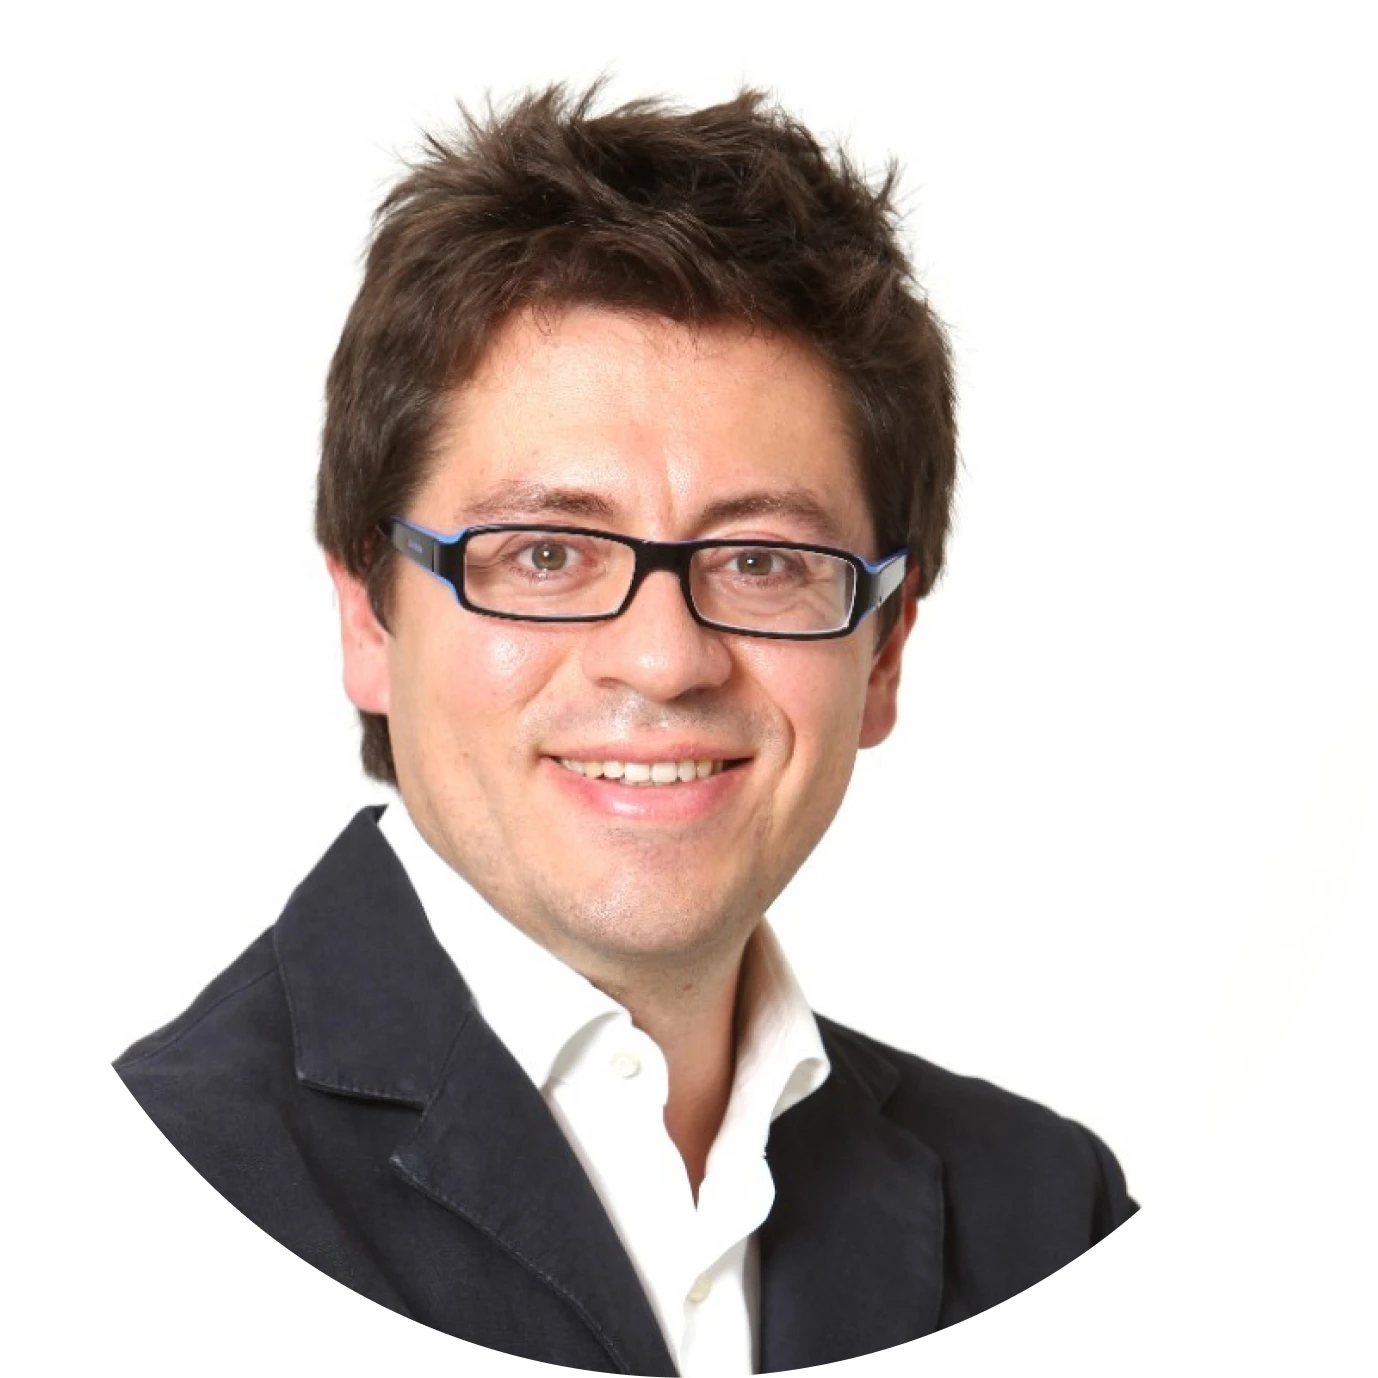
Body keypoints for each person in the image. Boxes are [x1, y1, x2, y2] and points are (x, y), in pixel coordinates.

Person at [111, 83, 1137, 1369]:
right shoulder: (201, 1164)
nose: (663, 658)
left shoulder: (1046, 1214)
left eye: (764, 562)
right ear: (369, 619)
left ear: (885, 654)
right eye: (543, 551)